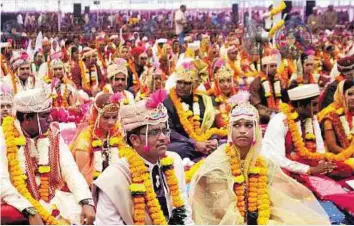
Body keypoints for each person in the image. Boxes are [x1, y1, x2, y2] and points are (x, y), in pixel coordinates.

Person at [189, 91, 331, 225]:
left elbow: (283, 190)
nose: (243, 130)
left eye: (248, 125)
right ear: (230, 130)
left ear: (257, 130)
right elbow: (225, 213)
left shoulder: (261, 161)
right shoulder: (217, 165)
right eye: (237, 125)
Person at [92, 90, 194, 225]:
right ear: (134, 140)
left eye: (164, 130)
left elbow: (183, 211)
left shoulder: (174, 161)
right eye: (154, 132)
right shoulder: (113, 180)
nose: (163, 138)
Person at [0, 87, 95, 225]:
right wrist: (30, 210)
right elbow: (2, 183)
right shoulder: (4, 138)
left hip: (52, 199)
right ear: (27, 118)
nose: (50, 119)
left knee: (79, 212)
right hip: (19, 203)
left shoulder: (53, 135)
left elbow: (71, 170)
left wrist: (86, 200)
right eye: (44, 116)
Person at [164, 60, 224, 161]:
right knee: (176, 149)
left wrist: (214, 139)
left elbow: (212, 125)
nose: (182, 86)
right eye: (179, 82)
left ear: (193, 85)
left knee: (225, 144)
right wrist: (194, 144)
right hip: (184, 144)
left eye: (186, 83)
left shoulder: (203, 100)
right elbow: (169, 131)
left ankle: (207, 150)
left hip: (204, 140)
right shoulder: (167, 102)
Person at [70, 90, 123, 185]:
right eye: (106, 117)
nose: (111, 122)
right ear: (96, 114)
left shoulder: (116, 133)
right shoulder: (85, 139)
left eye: (114, 117)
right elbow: (82, 175)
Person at [249, 49, 286, 124]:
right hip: (263, 114)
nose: (275, 68)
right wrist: (273, 112)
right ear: (263, 68)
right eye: (272, 66)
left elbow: (283, 99)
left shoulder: (278, 81)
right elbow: (257, 105)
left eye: (275, 66)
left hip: (277, 111)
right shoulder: (256, 83)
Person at [318, 80, 354, 154]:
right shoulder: (330, 115)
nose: (353, 97)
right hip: (340, 157)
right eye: (350, 94)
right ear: (342, 95)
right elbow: (332, 147)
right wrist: (350, 155)